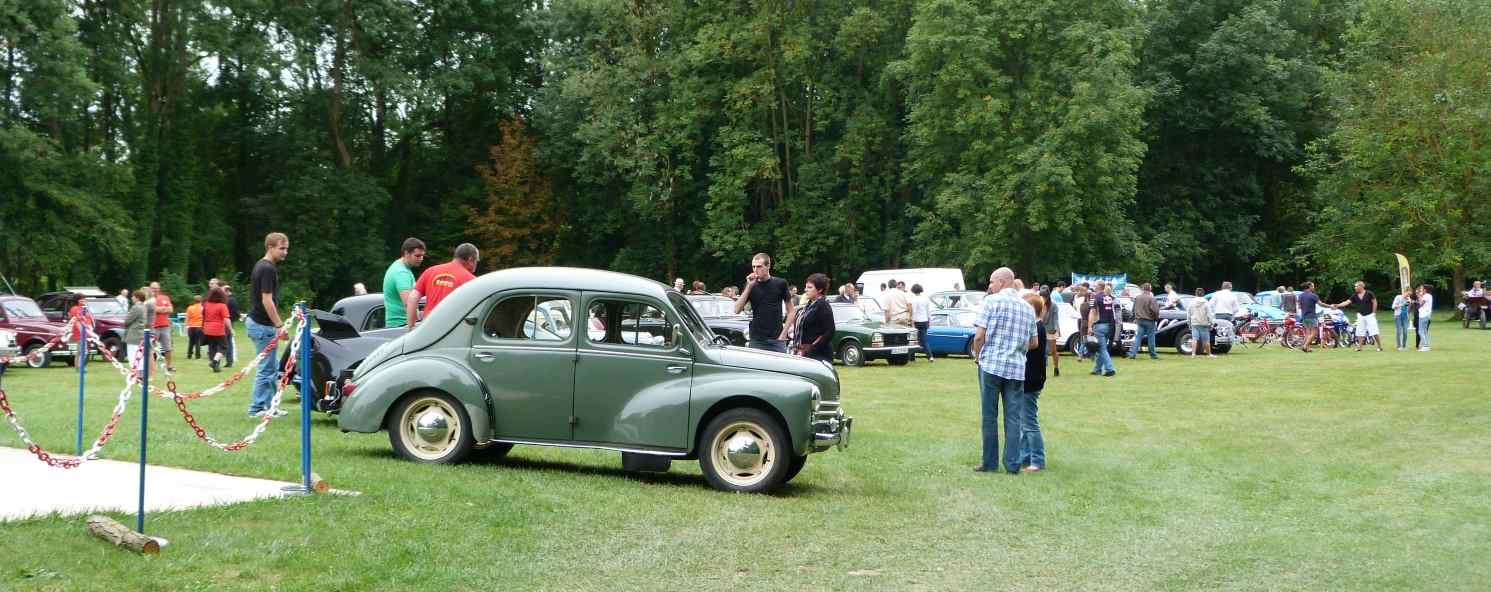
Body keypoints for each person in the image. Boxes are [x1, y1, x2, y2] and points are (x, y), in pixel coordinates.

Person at [969, 267, 1037, 474]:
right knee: (1013, 418)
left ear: (1001, 282)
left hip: (991, 365)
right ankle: (1013, 464)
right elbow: (1034, 342)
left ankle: (989, 463)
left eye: (991, 281)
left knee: (989, 416)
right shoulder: (1027, 308)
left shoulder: (990, 302)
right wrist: (1017, 348)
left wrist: (978, 356)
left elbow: (979, 336)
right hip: (1016, 369)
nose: (990, 285)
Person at [247, 232, 289, 418]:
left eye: (286, 248)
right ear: (270, 247)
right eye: (281, 248)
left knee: (271, 367)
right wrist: (279, 325)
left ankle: (270, 407)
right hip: (261, 325)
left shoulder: (262, 265)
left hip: (259, 323)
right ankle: (257, 408)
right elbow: (267, 300)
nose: (285, 252)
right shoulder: (267, 268)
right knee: (266, 369)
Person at [408, 243, 479, 331]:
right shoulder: (471, 281)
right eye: (477, 261)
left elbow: (412, 298)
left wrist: (411, 326)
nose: (476, 264)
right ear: (470, 259)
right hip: (451, 330)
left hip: (427, 327)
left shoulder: (430, 271)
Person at [732, 253, 795, 352]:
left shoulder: (780, 283)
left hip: (777, 339)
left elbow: (791, 311)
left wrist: (783, 334)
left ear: (768, 266)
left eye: (759, 266)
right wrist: (749, 287)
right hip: (756, 339)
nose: (755, 270)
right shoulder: (750, 285)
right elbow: (736, 310)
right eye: (753, 267)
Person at [1019, 292, 1048, 473]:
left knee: (1029, 423)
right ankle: (1024, 457)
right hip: (1032, 378)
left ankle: (1037, 460)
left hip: (1030, 380)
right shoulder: (1037, 326)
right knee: (1024, 422)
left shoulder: (1037, 328)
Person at [791, 273, 836, 364]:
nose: (805, 290)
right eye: (806, 287)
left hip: (818, 355)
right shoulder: (809, 305)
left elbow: (829, 331)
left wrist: (812, 348)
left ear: (820, 289)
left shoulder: (823, 305)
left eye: (809, 287)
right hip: (804, 353)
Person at [382, 238, 426, 328]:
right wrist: (418, 325)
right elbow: (409, 303)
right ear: (406, 253)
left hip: (399, 324)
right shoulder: (401, 273)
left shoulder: (399, 267)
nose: (421, 259)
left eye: (422, 255)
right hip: (401, 325)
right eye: (417, 256)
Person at [1331, 281, 1382, 351]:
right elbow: (1347, 302)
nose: (1355, 288)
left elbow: (1375, 302)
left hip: (1370, 315)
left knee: (1374, 331)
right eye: (1355, 286)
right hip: (1360, 315)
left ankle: (1379, 347)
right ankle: (1360, 347)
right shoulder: (1355, 295)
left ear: (1361, 286)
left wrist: (1374, 312)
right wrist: (1338, 305)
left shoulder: (1369, 293)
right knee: (1360, 331)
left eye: (1356, 286)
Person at [1086, 281, 1117, 376]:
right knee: (1101, 348)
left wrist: (1089, 327)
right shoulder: (1110, 298)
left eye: (1095, 286)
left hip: (1099, 325)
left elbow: (1092, 312)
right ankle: (1097, 369)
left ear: (1098, 287)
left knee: (1102, 349)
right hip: (1110, 325)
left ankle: (1110, 369)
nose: (1094, 288)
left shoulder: (1094, 297)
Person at [145, 281, 176, 372]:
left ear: (159, 289)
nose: (155, 290)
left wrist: (158, 309)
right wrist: (162, 309)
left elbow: (171, 309)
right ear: (150, 289)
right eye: (153, 288)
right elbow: (152, 309)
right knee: (150, 348)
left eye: (156, 288)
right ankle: (149, 367)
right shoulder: (148, 299)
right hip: (153, 327)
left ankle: (169, 366)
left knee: (168, 348)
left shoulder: (165, 297)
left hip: (165, 326)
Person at [202, 288, 232, 372]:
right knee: (224, 347)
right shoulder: (222, 305)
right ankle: (214, 362)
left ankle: (215, 367)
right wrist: (231, 329)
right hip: (218, 329)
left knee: (212, 347)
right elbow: (226, 319)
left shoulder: (206, 304)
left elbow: (203, 315)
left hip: (207, 328)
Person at [123, 288, 152, 371]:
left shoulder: (136, 307)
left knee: (132, 357)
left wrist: (125, 321)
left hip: (133, 335)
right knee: (139, 357)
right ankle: (140, 373)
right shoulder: (144, 307)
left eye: (133, 296)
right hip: (140, 335)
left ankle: (135, 373)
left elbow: (127, 321)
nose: (132, 298)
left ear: (137, 298)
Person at [1129, 283, 1159, 360]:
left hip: (1139, 320)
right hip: (1150, 320)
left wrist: (1134, 318)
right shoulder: (1152, 298)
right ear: (1150, 289)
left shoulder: (1137, 298)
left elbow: (1133, 309)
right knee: (1151, 338)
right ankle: (1153, 355)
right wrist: (1156, 318)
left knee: (1138, 337)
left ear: (1143, 289)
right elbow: (1155, 311)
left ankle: (1132, 354)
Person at [1188, 287, 1215, 358]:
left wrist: (1189, 322)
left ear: (1196, 293)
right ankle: (1209, 354)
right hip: (1204, 323)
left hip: (1194, 322)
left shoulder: (1191, 302)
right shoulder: (1206, 302)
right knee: (1206, 340)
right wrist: (1211, 322)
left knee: (1194, 339)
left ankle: (1193, 354)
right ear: (1203, 294)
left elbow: (1188, 313)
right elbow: (1209, 314)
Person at [909, 284, 933, 363]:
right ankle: (930, 356)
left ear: (913, 291)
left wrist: (912, 322)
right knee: (924, 340)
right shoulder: (926, 298)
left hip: (917, 321)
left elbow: (914, 311)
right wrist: (929, 321)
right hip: (924, 321)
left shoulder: (914, 299)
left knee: (913, 340)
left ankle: (912, 358)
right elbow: (928, 311)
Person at [1041, 286, 1059, 377]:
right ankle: (1043, 369)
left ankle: (1056, 368)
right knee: (1043, 351)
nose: (1043, 299)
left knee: (1053, 351)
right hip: (1041, 330)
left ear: (1048, 297)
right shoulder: (1039, 305)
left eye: (1044, 297)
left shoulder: (1054, 305)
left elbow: (1056, 319)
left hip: (1051, 330)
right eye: (1041, 297)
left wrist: (1056, 328)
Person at [1298, 282, 1321, 353]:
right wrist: (1330, 306)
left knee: (1308, 333)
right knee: (1314, 333)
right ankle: (1305, 346)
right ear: (1310, 287)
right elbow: (1321, 304)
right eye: (1313, 286)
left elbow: (1299, 306)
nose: (1314, 287)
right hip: (1312, 316)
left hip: (1304, 316)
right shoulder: (1313, 296)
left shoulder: (1300, 296)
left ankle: (1307, 348)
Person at [222, 283, 239, 366]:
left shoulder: (228, 300)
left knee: (225, 342)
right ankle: (229, 361)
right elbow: (236, 313)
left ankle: (227, 360)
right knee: (229, 342)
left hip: (226, 322)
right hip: (230, 321)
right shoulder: (233, 299)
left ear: (227, 291)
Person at [185, 295, 204, 360]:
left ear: (194, 301)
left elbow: (187, 318)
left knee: (191, 341)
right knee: (197, 341)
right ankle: (198, 356)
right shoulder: (202, 308)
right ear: (201, 300)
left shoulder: (190, 308)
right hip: (199, 326)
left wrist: (186, 326)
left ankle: (189, 355)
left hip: (191, 326)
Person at [1416, 284, 1433, 352]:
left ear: (1425, 290)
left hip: (1423, 315)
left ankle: (1425, 346)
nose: (1420, 290)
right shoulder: (1429, 295)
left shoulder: (1426, 296)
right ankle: (1427, 345)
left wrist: (1419, 296)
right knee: (1425, 331)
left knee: (1420, 331)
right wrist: (1419, 296)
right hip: (1426, 314)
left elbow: (1421, 303)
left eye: (1421, 288)